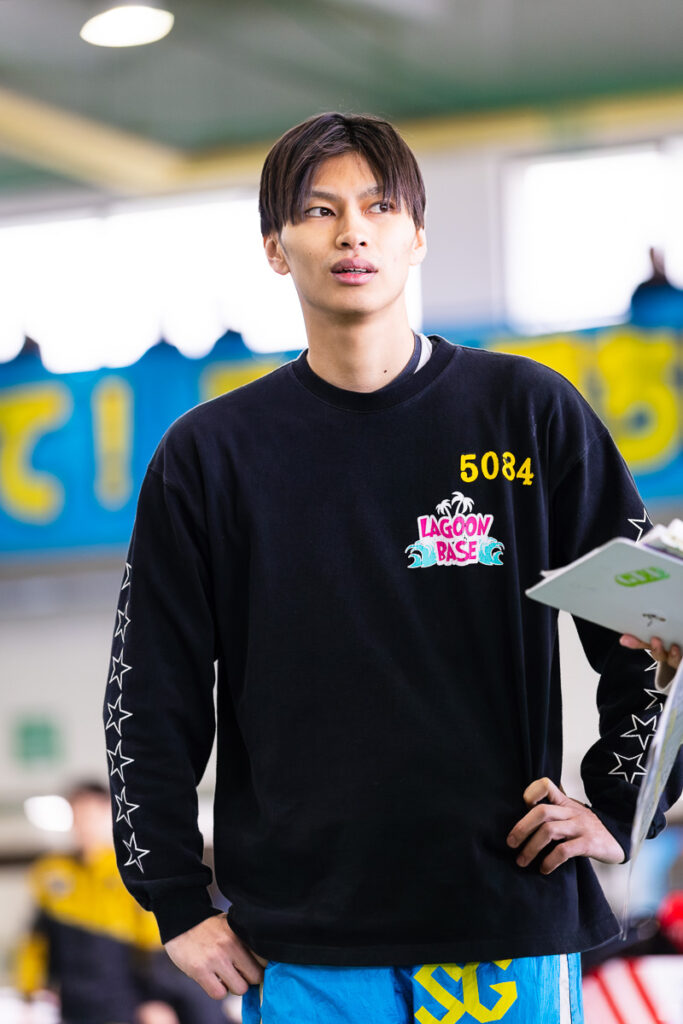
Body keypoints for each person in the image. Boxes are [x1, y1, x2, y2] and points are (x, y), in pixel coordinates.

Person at [103, 112, 683, 1023]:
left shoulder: (527, 414)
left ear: (417, 234)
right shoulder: (211, 457)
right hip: (300, 944)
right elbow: (149, 690)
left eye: (379, 207)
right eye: (318, 210)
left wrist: (618, 806)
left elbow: (654, 623)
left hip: (506, 922)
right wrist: (174, 896)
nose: (352, 233)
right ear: (274, 247)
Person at [14, 781, 230, 1024]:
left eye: (91, 815)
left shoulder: (132, 871)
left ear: (109, 814)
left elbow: (155, 942)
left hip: (126, 1001)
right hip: (73, 1003)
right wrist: (30, 991)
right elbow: (36, 938)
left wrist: (156, 999)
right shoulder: (51, 874)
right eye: (78, 815)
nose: (84, 824)